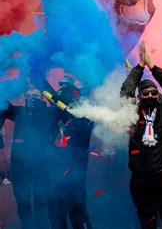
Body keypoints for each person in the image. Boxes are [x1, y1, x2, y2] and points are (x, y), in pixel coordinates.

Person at [120, 42, 162, 229]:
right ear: (140, 97)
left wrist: (152, 67)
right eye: (146, 93)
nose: (151, 95)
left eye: (154, 92)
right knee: (147, 223)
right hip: (140, 180)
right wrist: (139, 68)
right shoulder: (132, 112)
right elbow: (126, 91)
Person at [0, 87, 55, 229]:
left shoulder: (48, 112)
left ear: (42, 97)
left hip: (41, 165)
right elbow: (3, 105)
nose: (31, 97)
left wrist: (44, 86)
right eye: (28, 94)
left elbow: (58, 104)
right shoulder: (19, 111)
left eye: (35, 95)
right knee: (22, 202)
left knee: (41, 201)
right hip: (19, 166)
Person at [46, 75, 94, 229]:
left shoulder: (83, 111)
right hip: (54, 170)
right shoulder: (55, 111)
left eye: (66, 86)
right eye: (60, 86)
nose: (61, 89)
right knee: (56, 212)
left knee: (77, 210)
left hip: (75, 169)